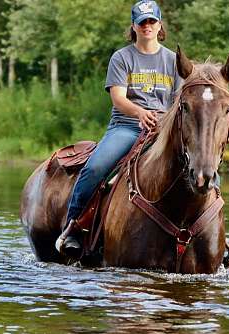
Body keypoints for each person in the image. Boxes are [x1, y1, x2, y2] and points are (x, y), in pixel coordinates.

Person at [56, 0, 181, 255]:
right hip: (127, 126)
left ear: (160, 25)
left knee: (204, 170)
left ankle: (214, 237)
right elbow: (119, 99)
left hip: (164, 131)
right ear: (133, 26)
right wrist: (141, 113)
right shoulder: (122, 57)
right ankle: (74, 226)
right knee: (96, 167)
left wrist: (164, 120)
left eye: (151, 21)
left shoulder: (173, 60)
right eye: (142, 22)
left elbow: (179, 101)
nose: (147, 26)